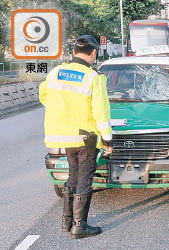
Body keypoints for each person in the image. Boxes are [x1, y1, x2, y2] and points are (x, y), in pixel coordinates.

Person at [39, 35, 113, 239]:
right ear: (94, 53)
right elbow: (101, 113)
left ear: (73, 52)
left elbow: (44, 96)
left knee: (73, 175)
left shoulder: (56, 72)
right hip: (85, 138)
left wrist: (64, 112)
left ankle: (67, 221)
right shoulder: (93, 77)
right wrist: (107, 140)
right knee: (85, 178)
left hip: (63, 136)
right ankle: (79, 226)